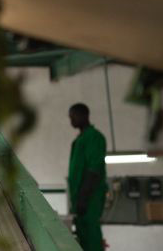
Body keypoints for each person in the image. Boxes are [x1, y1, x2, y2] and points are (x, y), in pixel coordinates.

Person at [67, 102, 108, 251]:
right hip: (80, 199)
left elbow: (94, 169)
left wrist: (84, 197)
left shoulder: (94, 137)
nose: (71, 120)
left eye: (73, 116)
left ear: (84, 115)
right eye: (70, 117)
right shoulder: (79, 141)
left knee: (91, 235)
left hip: (90, 197)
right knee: (83, 236)